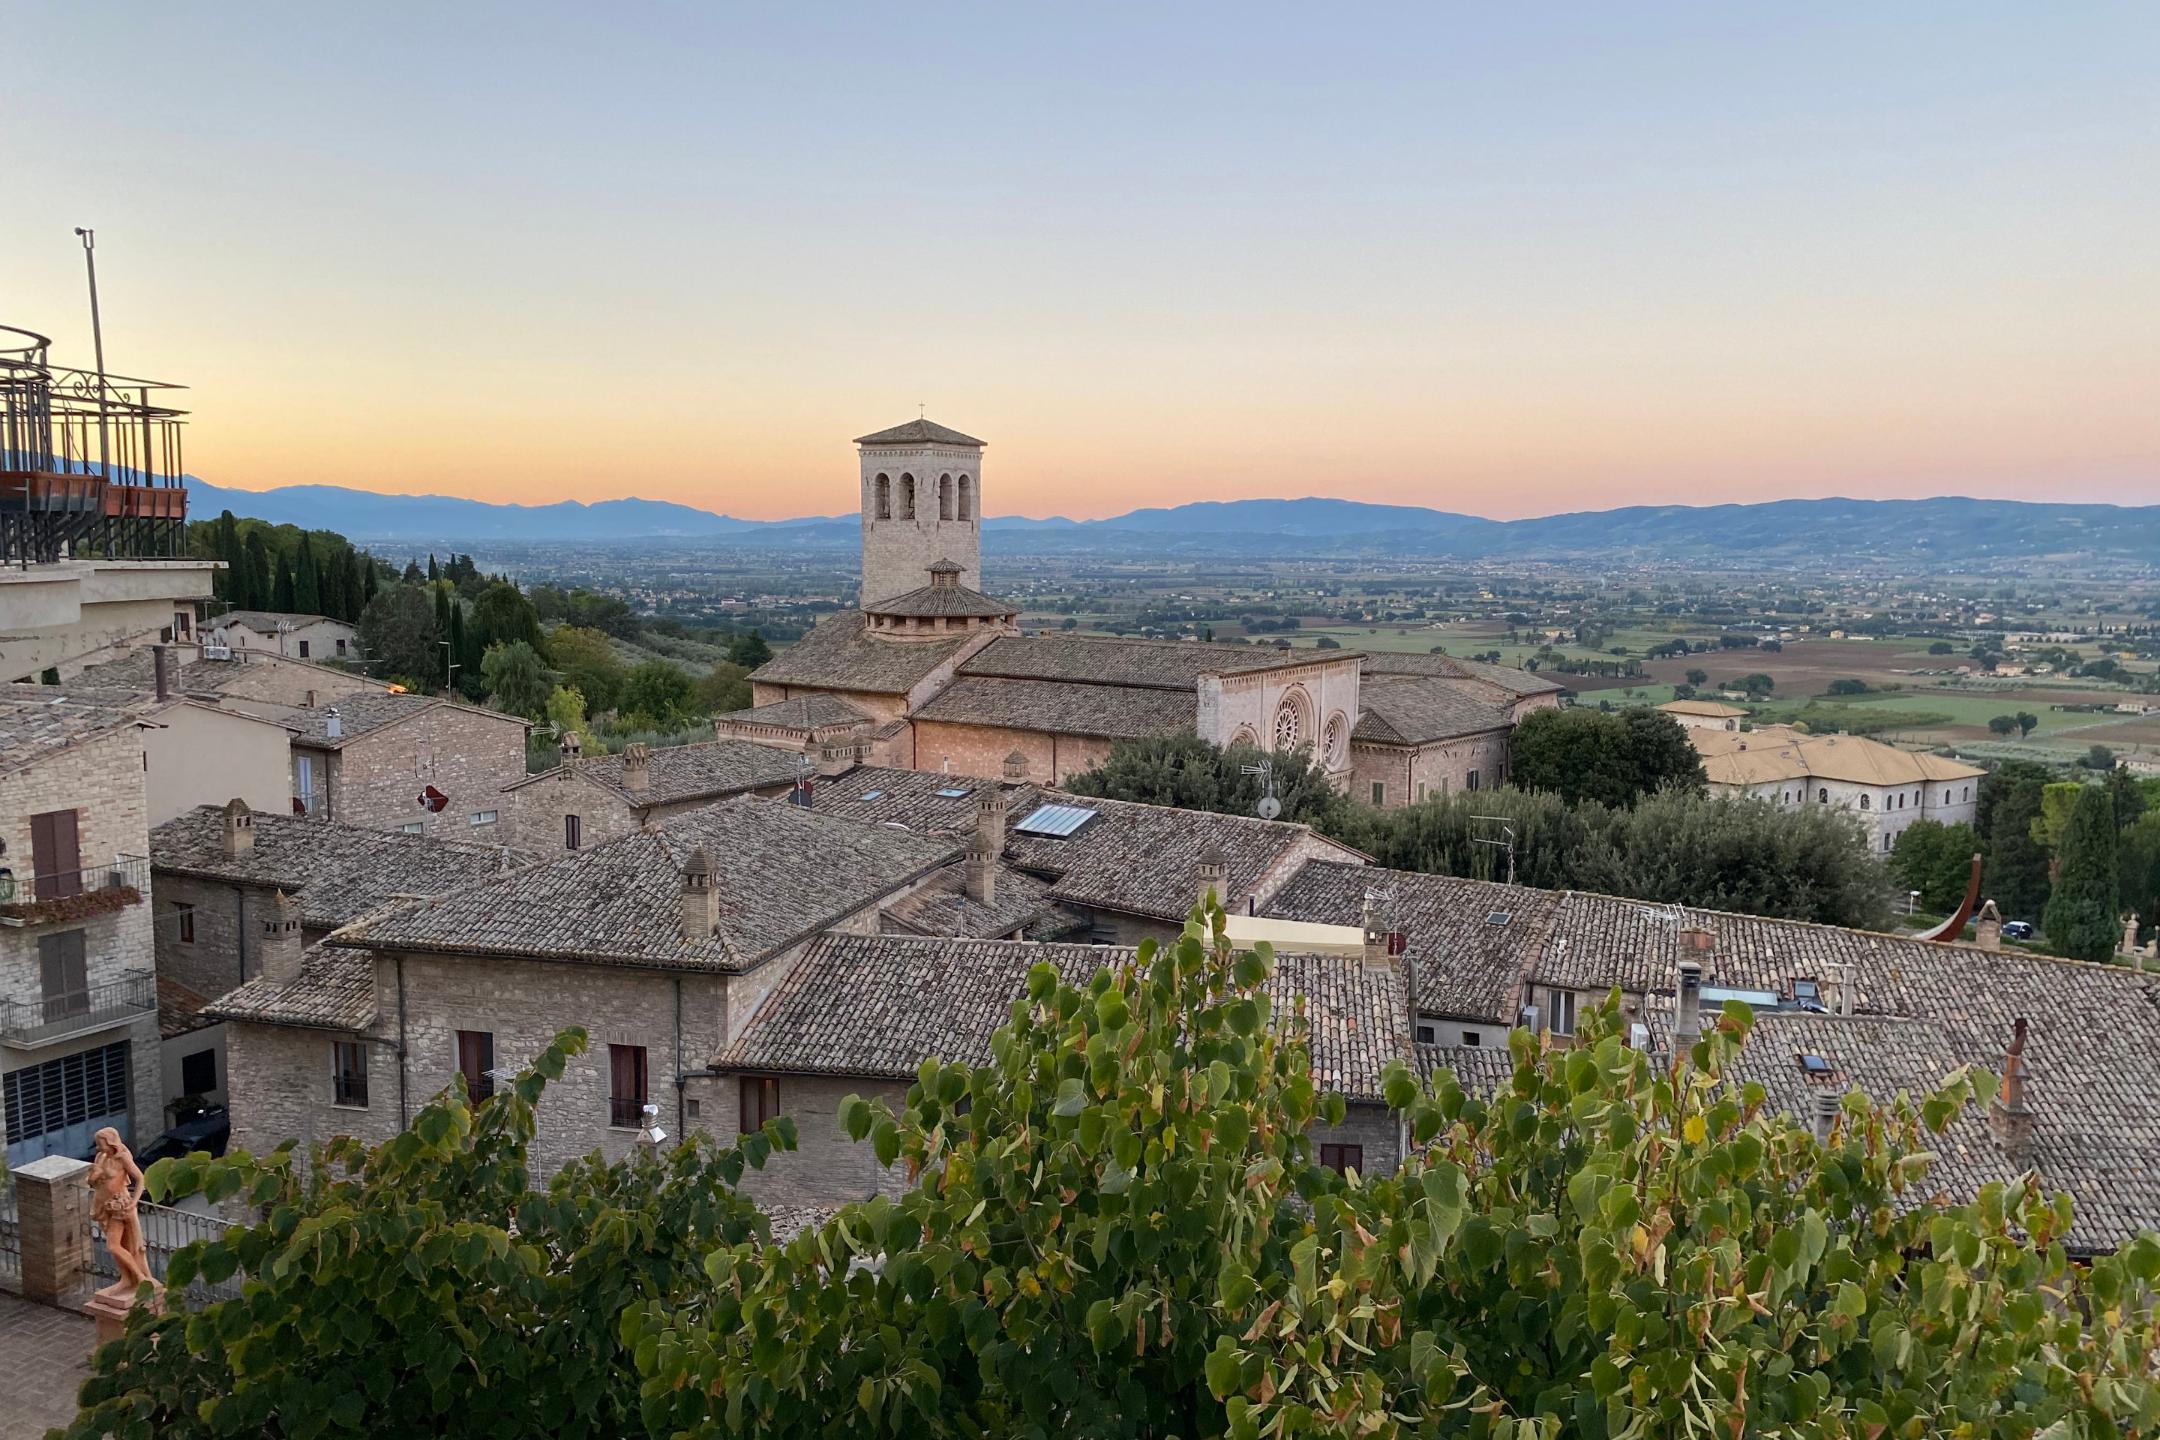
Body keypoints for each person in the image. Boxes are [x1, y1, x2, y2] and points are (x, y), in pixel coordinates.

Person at [87, 1126, 160, 1301]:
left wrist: (134, 1202)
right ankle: (127, 1279)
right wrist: (95, 1174)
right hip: (105, 1206)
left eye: (101, 1144)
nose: (98, 1147)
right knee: (120, 1245)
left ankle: (140, 1277)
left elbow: (140, 1179)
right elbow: (91, 1182)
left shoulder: (122, 1158)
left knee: (114, 1245)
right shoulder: (100, 1157)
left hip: (120, 1206)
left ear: (111, 1142)